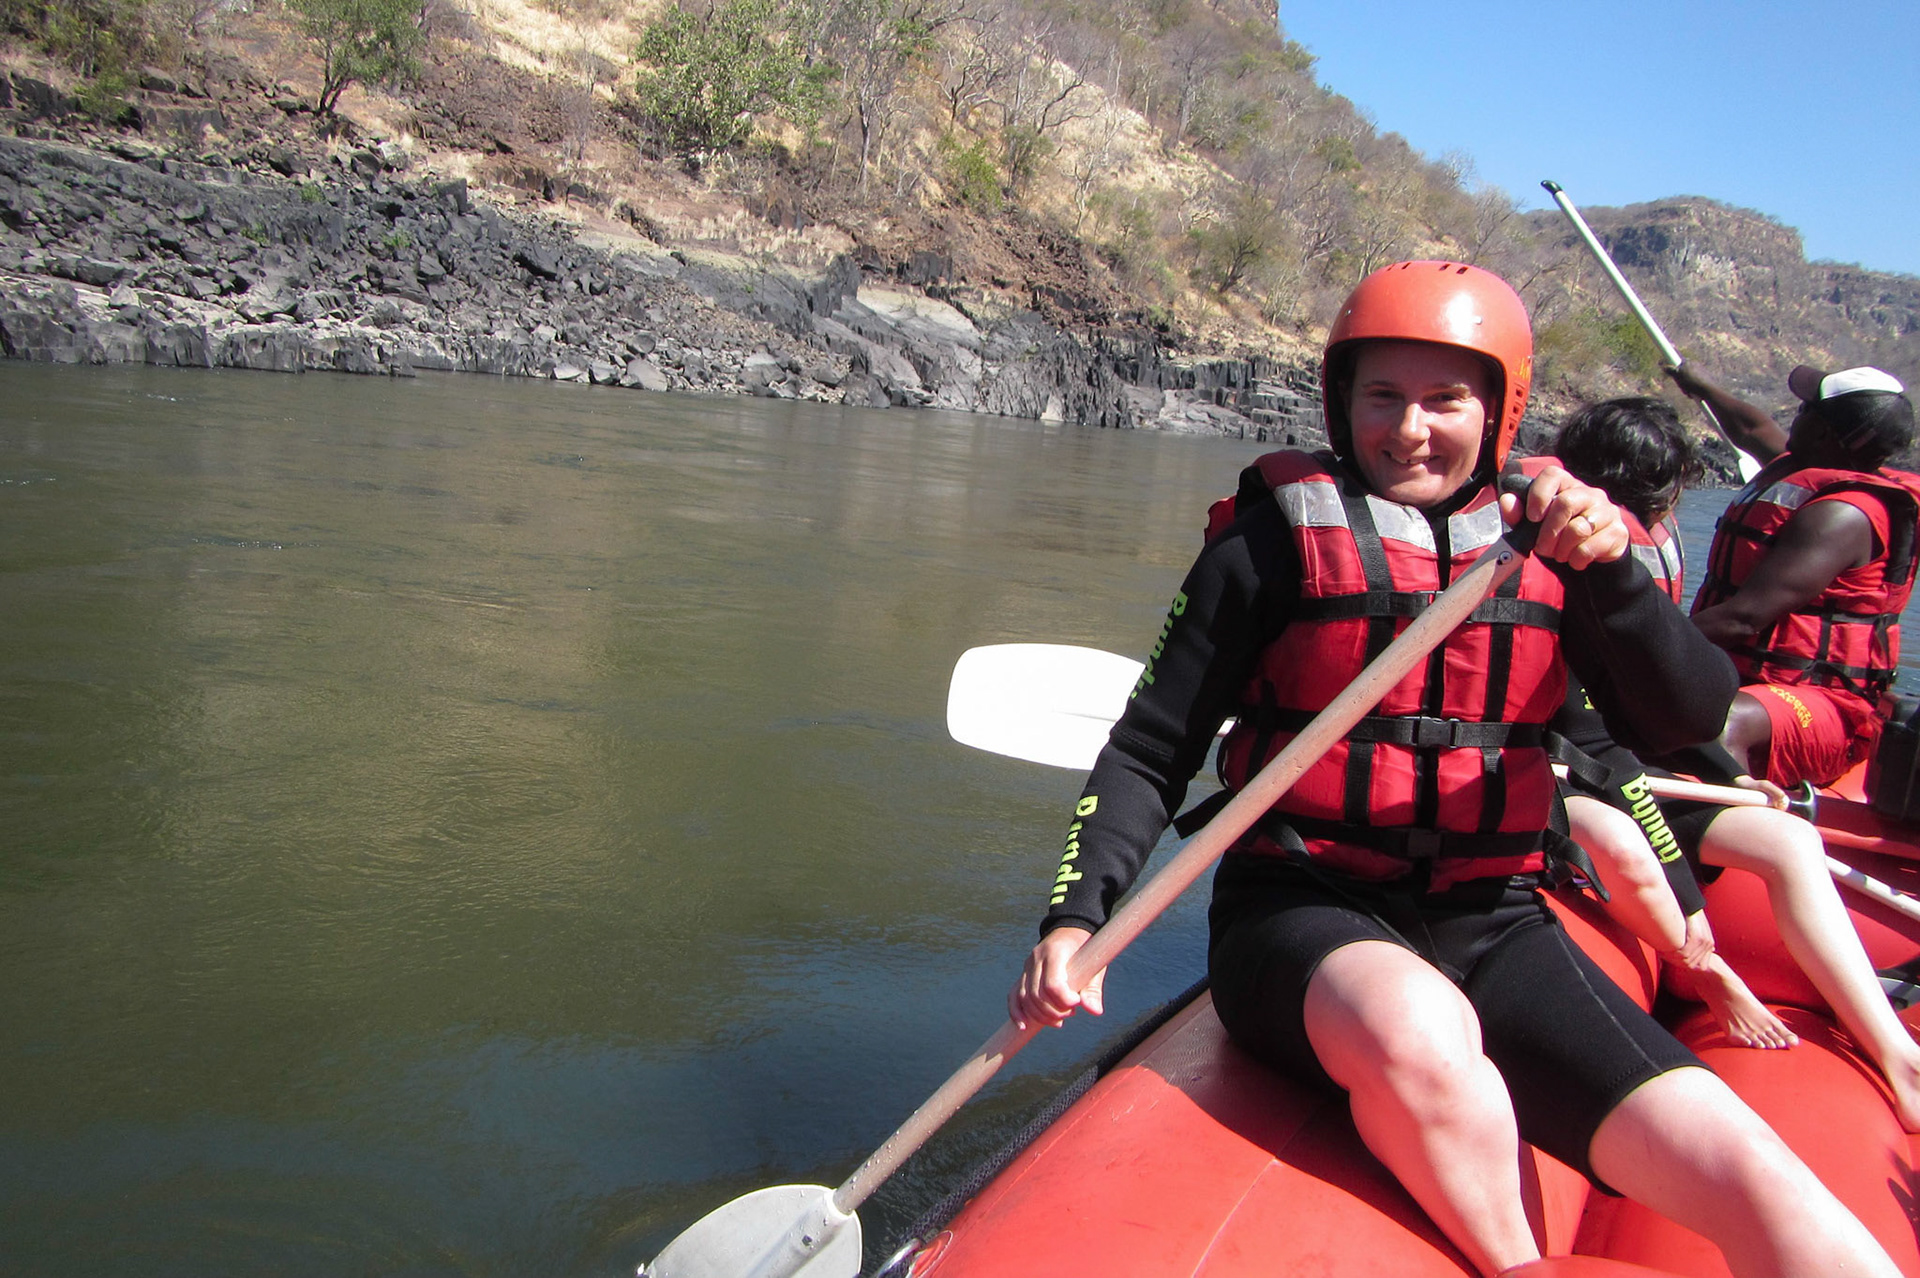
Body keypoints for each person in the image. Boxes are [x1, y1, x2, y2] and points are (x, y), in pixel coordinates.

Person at [1007, 262, 1899, 1278]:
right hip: (1301, 912)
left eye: (1445, 400)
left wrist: (1611, 576)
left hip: (1498, 917)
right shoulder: (1267, 547)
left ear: (1501, 409)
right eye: (1381, 396)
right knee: (1422, 1031)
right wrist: (1078, 918)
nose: (1409, 428)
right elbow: (1152, 744)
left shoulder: (1563, 552)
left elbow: (1683, 720)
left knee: (1759, 1177)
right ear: (1343, 401)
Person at [1550, 397, 1920, 1126]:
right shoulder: (1544, 562)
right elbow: (1593, 742)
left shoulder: (1627, 555)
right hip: (1572, 774)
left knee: (1787, 838)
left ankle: (1893, 1049)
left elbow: (1649, 708)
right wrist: (1706, 953)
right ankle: (1705, 969)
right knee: (1629, 842)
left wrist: (1726, 778)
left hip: (1625, 760)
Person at [1669, 361, 1920, 788]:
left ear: (1823, 432)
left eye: (1804, 410)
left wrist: (1635, 648)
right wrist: (1701, 385)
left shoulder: (1842, 516)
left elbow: (1742, 619)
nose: (1793, 416)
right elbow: (1751, 429)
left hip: (1826, 705)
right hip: (1744, 676)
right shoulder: (1805, 465)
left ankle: (1726, 838)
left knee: (1721, 723)